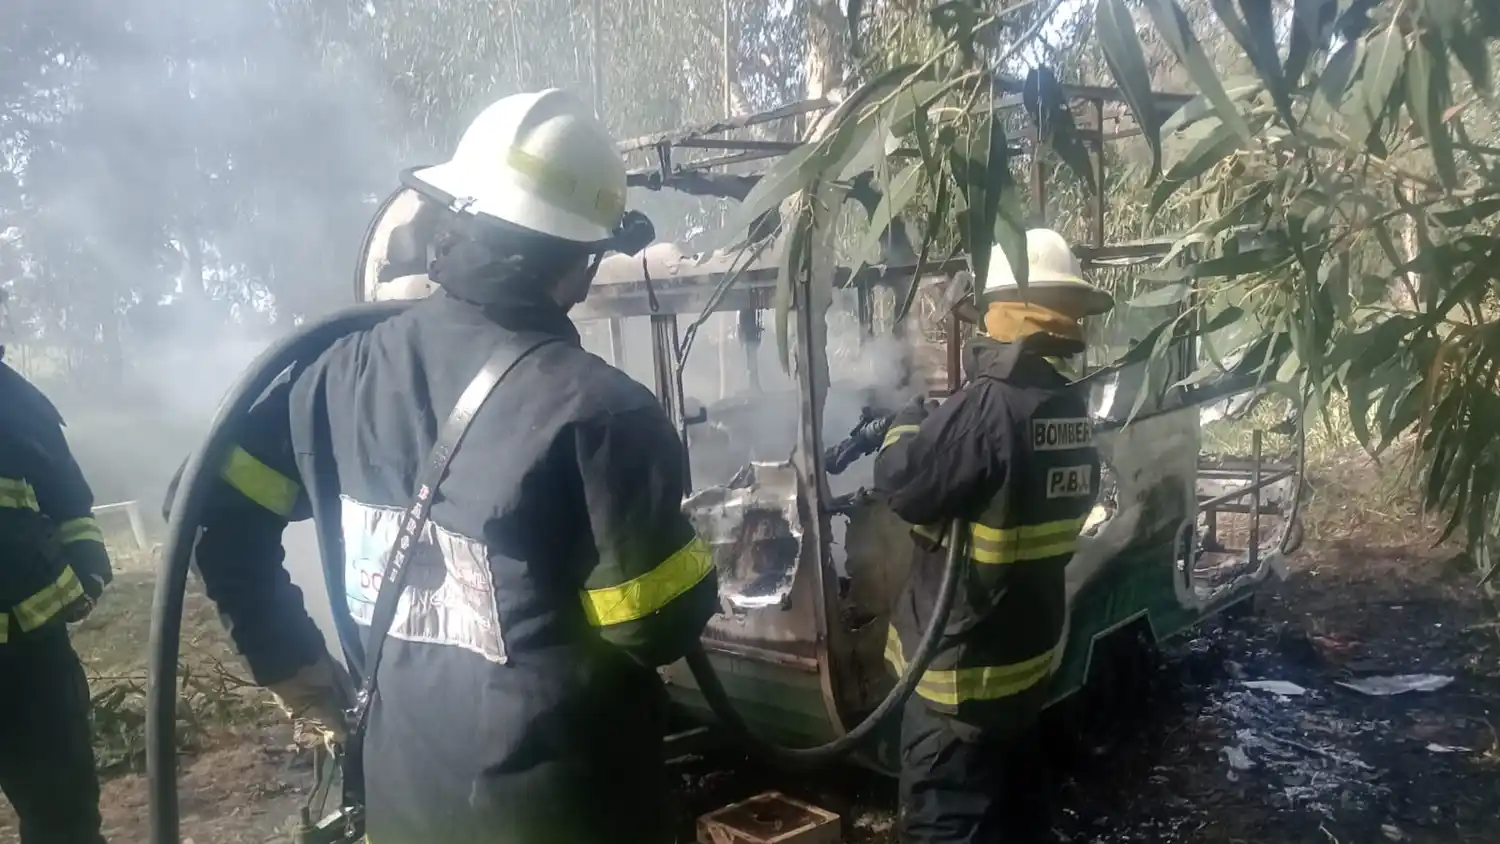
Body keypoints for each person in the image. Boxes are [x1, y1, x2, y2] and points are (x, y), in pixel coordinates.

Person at [179, 88, 718, 844]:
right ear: (586, 260)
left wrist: (293, 666)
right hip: (568, 815)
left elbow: (214, 511)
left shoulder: (336, 374)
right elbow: (654, 627)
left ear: (456, 219)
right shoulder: (602, 415)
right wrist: (698, 553)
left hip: (405, 806)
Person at [874, 228, 1112, 844]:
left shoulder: (989, 408)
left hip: (958, 686)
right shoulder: (1067, 408)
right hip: (1024, 670)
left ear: (1005, 310)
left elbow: (903, 484)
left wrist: (906, 424)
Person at [0, 351, 113, 844]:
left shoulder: (17, 398)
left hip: (32, 654)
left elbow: (67, 496)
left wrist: (88, 568)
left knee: (65, 821)